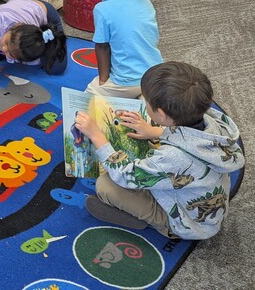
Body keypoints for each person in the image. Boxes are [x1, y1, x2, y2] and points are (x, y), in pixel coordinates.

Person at [74, 61, 245, 240]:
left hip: (187, 223)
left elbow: (126, 176)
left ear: (162, 114)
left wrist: (96, 136)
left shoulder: (172, 157)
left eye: (147, 101)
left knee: (106, 186)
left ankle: (159, 225)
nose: (144, 102)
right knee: (148, 145)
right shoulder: (213, 123)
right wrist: (154, 131)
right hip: (197, 200)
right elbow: (189, 138)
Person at [87, 0, 162, 98]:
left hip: (126, 82)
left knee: (89, 95)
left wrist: (103, 80)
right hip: (155, 76)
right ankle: (144, 98)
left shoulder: (102, 9)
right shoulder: (145, 1)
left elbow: (102, 48)